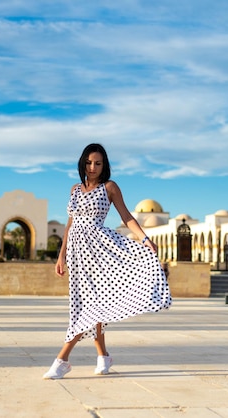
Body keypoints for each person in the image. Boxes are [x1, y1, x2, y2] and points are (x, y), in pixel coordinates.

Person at [43, 143, 172, 380]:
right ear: (83, 163)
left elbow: (126, 216)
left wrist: (144, 238)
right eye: (89, 162)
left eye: (98, 163)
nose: (93, 167)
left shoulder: (109, 187)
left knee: (87, 306)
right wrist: (61, 256)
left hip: (102, 251)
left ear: (105, 165)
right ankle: (103, 355)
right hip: (78, 256)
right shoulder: (74, 189)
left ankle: (62, 360)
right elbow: (70, 225)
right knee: (92, 304)